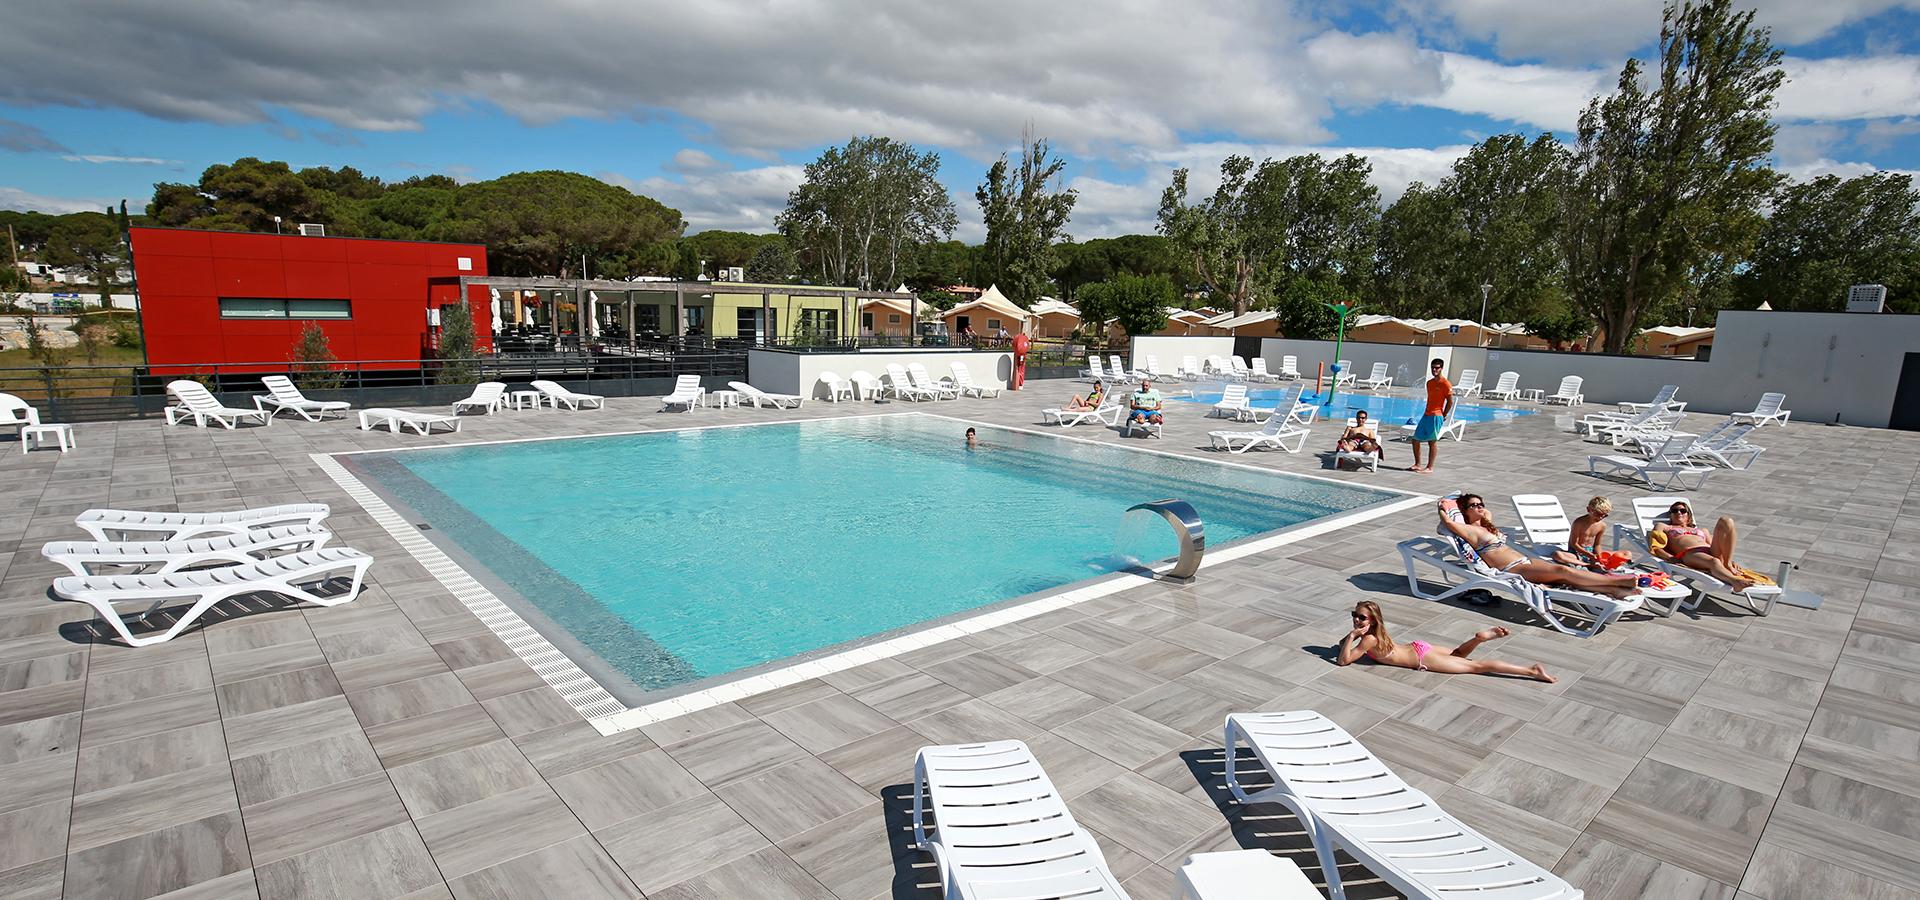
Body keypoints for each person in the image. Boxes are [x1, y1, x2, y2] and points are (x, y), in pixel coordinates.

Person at [1439, 495, 1641, 599]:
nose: (1480, 507)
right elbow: (1448, 523)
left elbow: (1487, 513)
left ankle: (1615, 590)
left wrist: (1479, 511)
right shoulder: (1469, 530)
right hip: (1514, 568)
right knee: (1563, 570)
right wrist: (1443, 507)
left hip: (1525, 562)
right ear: (1465, 511)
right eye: (1474, 505)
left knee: (1564, 577)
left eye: (1481, 503)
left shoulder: (1485, 525)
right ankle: (1620, 581)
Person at [1337, 601, 1555, 682]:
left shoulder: (1369, 639)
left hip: (1422, 657)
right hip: (1419, 647)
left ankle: (1531, 671)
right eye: (1354, 615)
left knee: (1476, 667)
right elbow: (1342, 647)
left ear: (1373, 619)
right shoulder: (1377, 634)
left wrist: (1352, 636)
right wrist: (1352, 636)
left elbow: (1343, 661)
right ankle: (1477, 639)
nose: (1356, 619)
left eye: (1361, 617)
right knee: (1460, 655)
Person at [1651, 501, 1770, 591]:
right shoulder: (1664, 526)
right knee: (1714, 561)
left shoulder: (1702, 530)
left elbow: (1718, 545)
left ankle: (1727, 564)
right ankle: (1735, 582)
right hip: (1689, 553)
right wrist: (1668, 557)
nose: (1678, 513)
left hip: (1709, 550)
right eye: (1674, 510)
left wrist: (1730, 560)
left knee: (1726, 520)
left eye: (1682, 511)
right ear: (1670, 515)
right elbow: (1656, 546)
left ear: (1688, 516)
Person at [1411, 358, 1453, 474]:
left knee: (1432, 441)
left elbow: (1450, 401)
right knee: (1415, 439)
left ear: (1441, 368)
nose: (1434, 369)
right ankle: (1417, 464)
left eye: (1437, 368)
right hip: (1427, 414)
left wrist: (1444, 414)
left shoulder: (1445, 384)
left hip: (1436, 415)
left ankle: (1429, 467)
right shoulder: (1429, 383)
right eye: (1433, 367)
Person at [1551, 496, 1612, 569]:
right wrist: (1590, 556)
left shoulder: (1602, 525)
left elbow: (1597, 545)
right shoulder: (1579, 523)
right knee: (1557, 555)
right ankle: (1587, 565)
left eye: (1605, 515)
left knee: (1626, 553)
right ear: (1588, 509)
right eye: (1598, 514)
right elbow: (1574, 544)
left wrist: (1599, 556)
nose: (1600, 518)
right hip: (1576, 552)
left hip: (1590, 552)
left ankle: (1586, 564)